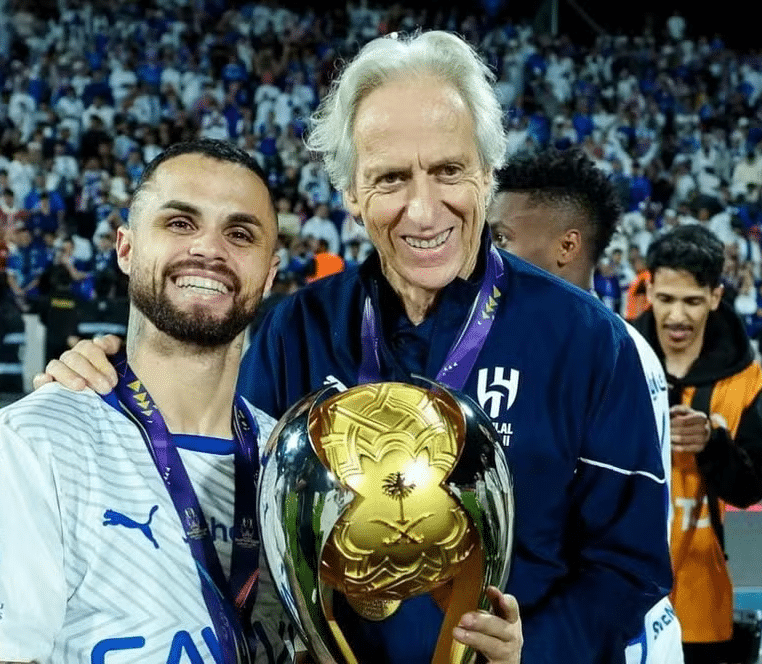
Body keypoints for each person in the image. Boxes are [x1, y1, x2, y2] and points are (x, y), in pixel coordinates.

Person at [38, 32, 667, 663]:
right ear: (350, 194)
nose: (424, 211)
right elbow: (225, 495)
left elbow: (630, 563)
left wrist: (533, 652)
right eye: (391, 178)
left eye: (448, 170)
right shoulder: (296, 330)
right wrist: (102, 380)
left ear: (486, 173)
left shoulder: (590, 342)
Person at [0, 139, 522, 664]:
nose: (210, 249)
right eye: (181, 223)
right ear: (126, 248)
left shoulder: (306, 464)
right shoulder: (31, 448)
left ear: (267, 276)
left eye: (239, 233)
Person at [489, 148, 684, 664]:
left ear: (566, 246)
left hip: (609, 636)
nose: (486, 255)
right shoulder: (563, 344)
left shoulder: (613, 352)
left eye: (502, 238)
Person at [631, 225, 762, 664]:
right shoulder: (617, 362)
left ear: (715, 297)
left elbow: (751, 489)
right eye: (667, 299)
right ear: (649, 289)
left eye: (692, 301)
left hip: (702, 602)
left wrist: (713, 444)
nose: (677, 316)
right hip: (620, 595)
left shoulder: (744, 380)